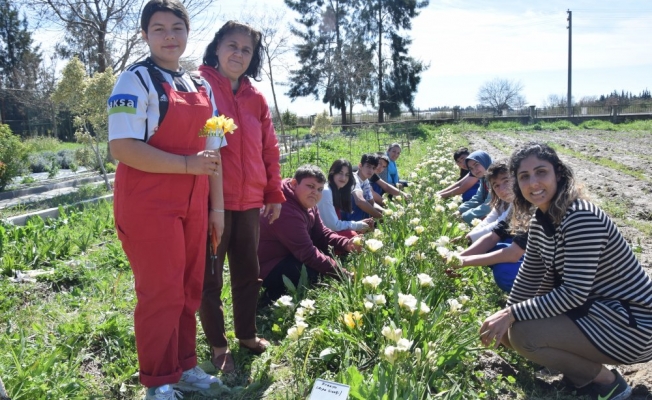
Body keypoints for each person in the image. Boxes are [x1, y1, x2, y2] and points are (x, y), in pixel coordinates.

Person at [108, 0, 222, 398]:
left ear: (188, 33)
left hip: (194, 201)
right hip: (148, 203)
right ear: (144, 35)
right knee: (161, 292)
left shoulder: (201, 86)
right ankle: (158, 382)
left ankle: (184, 367)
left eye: (177, 27)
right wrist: (188, 165)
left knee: (190, 288)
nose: (169, 36)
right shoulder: (133, 82)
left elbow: (214, 150)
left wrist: (216, 208)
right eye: (158, 29)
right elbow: (122, 147)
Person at [480, 142, 652, 399]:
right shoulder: (540, 220)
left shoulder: (580, 217)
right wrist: (506, 313)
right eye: (524, 176)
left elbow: (573, 293)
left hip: (632, 325)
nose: (534, 182)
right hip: (597, 313)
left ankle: (608, 383)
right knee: (508, 331)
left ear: (558, 174)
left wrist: (512, 314)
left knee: (524, 333)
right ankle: (578, 372)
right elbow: (529, 276)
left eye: (541, 172)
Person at [198, 21, 285, 374]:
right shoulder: (200, 88)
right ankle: (219, 345)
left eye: (246, 50)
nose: (238, 53)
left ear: (253, 58)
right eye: (232, 45)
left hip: (249, 202)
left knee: (249, 272)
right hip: (210, 202)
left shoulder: (256, 98)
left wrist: (273, 191)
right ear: (217, 48)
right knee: (210, 277)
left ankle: (247, 335)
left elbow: (270, 148)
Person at [258, 165, 360, 302]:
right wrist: (343, 274)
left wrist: (346, 243)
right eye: (310, 186)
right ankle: (272, 297)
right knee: (312, 273)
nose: (315, 192)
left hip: (289, 253)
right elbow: (307, 253)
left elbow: (321, 233)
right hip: (268, 266)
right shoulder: (286, 210)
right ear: (294, 184)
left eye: (319, 189)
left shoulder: (305, 200)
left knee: (329, 254)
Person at [447, 161, 526, 293]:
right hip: (533, 255)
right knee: (494, 247)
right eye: (496, 186)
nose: (502, 189)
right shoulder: (513, 206)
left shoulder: (527, 205)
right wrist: (456, 258)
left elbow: (513, 254)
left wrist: (463, 261)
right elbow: (493, 235)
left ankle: (535, 304)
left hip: (557, 270)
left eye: (506, 181)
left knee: (504, 269)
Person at [317, 159, 373, 237]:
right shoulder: (326, 192)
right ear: (333, 172)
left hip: (329, 231)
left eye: (347, 175)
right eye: (340, 173)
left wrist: (359, 223)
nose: (343, 178)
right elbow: (333, 226)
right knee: (352, 235)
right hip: (319, 234)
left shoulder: (338, 191)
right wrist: (358, 225)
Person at [342, 153, 384, 221]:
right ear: (360, 166)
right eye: (368, 166)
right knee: (360, 201)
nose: (371, 170)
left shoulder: (365, 181)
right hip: (342, 215)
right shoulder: (353, 178)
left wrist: (386, 212)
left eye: (373, 168)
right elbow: (359, 201)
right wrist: (379, 216)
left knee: (367, 204)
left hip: (351, 214)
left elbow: (371, 203)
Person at [457, 150, 493, 224]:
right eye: (471, 168)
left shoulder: (496, 179)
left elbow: (489, 206)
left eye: (476, 164)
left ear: (484, 161)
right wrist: (460, 209)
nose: (475, 170)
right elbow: (478, 198)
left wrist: (465, 217)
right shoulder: (483, 177)